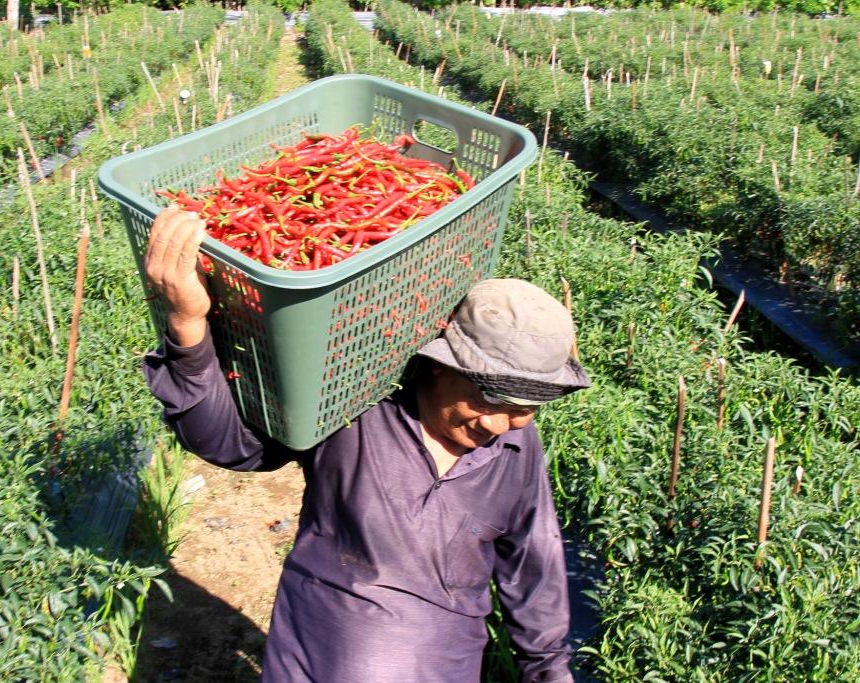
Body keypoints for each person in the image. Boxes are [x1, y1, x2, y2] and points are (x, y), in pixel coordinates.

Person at [142, 207, 592, 683]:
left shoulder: (518, 449)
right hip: (313, 659)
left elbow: (533, 564)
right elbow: (230, 445)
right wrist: (188, 326)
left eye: (531, 407)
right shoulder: (354, 406)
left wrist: (548, 671)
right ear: (442, 364)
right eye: (494, 398)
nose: (507, 424)